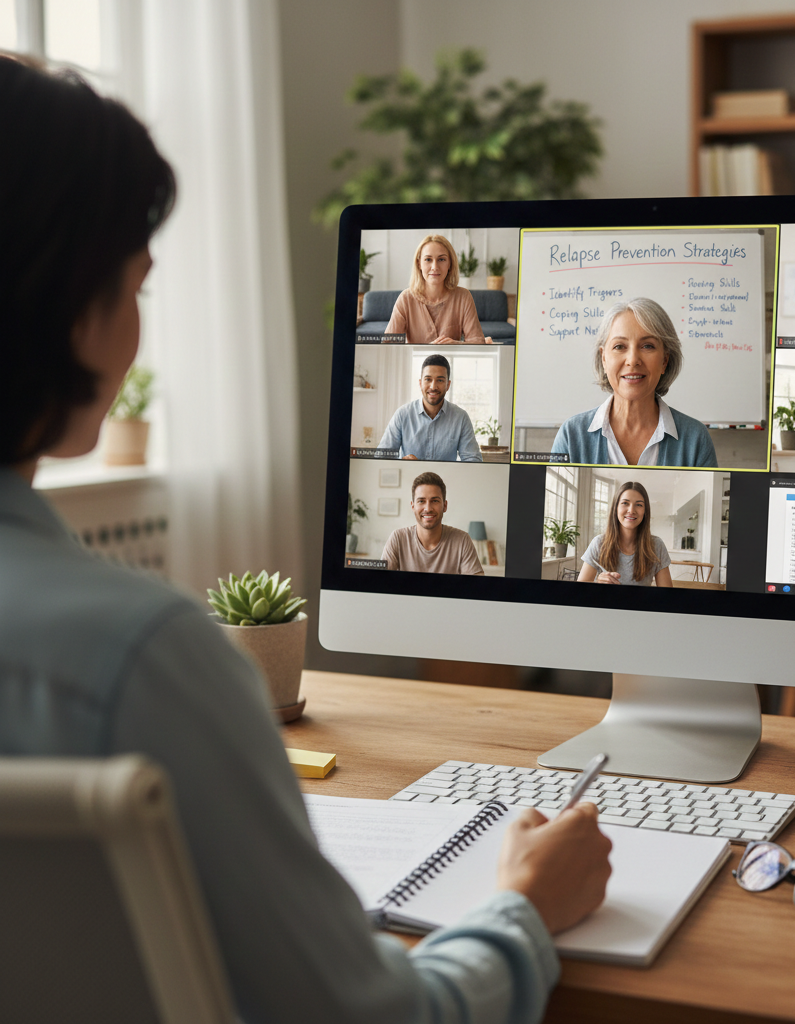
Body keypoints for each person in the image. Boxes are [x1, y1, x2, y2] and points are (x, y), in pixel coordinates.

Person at [0, 58, 612, 1024]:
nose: (136, 340)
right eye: (134, 291)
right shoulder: (144, 663)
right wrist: (524, 906)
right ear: (65, 308)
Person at [550, 298, 718, 468]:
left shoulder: (696, 439)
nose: (632, 360)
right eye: (619, 346)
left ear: (665, 360)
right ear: (604, 359)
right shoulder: (571, 436)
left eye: (647, 346)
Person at [385, 233, 493, 344]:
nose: (435, 267)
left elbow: (477, 343)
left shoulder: (463, 297)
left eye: (441, 259)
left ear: (449, 264)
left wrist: (456, 344)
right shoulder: (405, 298)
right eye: (428, 259)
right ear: (419, 264)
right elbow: (388, 345)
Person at [377, 354, 482, 461]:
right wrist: (402, 462)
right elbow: (381, 457)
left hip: (447, 478)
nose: (433, 387)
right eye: (428, 379)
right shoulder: (402, 415)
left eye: (440, 380)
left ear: (448, 385)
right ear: (420, 383)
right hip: (410, 477)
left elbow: (473, 460)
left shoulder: (461, 418)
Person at [382, 471, 486, 574]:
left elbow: (477, 588)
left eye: (435, 501)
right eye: (421, 501)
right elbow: (380, 582)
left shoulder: (462, 540)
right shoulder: (398, 538)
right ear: (413, 506)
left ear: (445, 506)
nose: (428, 509)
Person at [578, 481, 673, 587]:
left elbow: (667, 596)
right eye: (625, 503)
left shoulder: (657, 545)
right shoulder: (598, 543)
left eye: (639, 505)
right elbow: (579, 591)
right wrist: (598, 584)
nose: (631, 510)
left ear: (645, 511)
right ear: (616, 508)